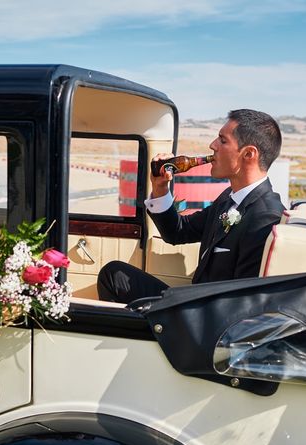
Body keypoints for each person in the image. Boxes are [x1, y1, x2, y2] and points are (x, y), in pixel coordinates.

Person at [97, 109, 285, 303]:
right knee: (115, 274)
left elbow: (241, 302)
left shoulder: (265, 217)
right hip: (194, 303)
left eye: (222, 140)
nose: (212, 145)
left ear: (248, 154)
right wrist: (160, 187)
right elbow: (177, 232)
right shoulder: (229, 198)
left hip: (205, 319)